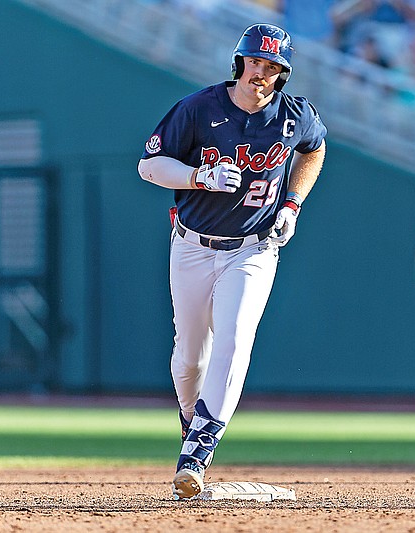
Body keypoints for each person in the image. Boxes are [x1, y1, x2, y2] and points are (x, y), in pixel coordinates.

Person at [137, 23, 327, 499]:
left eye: (271, 66)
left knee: (235, 339)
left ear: (282, 74)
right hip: (193, 244)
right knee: (188, 357)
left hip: (253, 248)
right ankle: (190, 423)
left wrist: (292, 203)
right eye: (254, 62)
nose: (260, 73)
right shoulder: (199, 107)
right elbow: (150, 165)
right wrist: (200, 176)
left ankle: (197, 452)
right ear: (239, 62)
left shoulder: (293, 116)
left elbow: (315, 149)